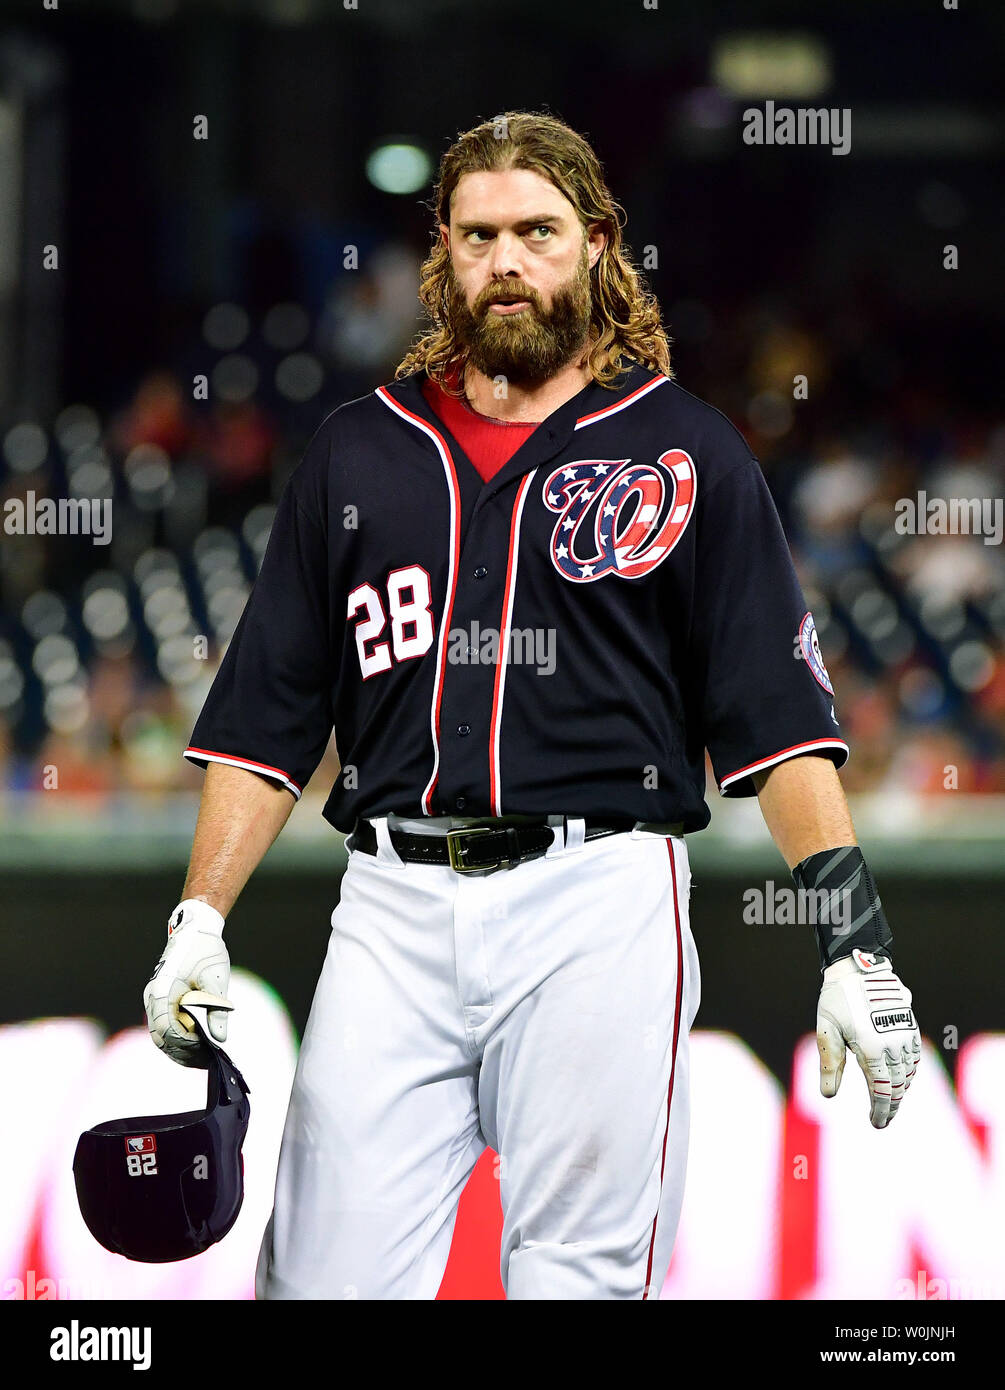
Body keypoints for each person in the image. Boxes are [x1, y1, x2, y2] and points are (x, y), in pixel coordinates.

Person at [144, 111, 921, 1301]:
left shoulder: (685, 449)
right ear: (442, 258)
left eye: (538, 232)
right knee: (313, 1281)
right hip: (391, 904)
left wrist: (854, 941)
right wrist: (198, 917)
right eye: (479, 235)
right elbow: (265, 723)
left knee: (581, 1282)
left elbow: (778, 716)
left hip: (597, 900)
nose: (507, 261)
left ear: (598, 245)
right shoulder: (359, 453)